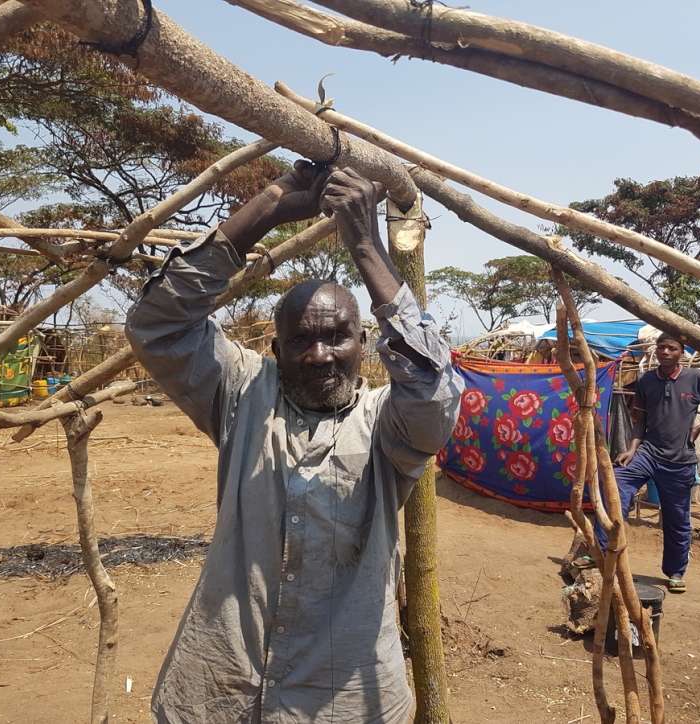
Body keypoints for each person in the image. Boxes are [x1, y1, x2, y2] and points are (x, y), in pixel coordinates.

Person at [125, 161, 463, 723]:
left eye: (337, 337)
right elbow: (157, 324)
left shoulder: (389, 425)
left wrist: (365, 245)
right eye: (301, 340)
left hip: (345, 698)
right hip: (221, 684)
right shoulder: (243, 393)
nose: (321, 355)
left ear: (364, 343)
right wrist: (271, 206)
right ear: (277, 350)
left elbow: (435, 390)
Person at [582, 333, 700, 593]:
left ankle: (675, 571)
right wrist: (631, 449)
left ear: (681, 353)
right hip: (647, 453)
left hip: (679, 461)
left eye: (672, 348)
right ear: (655, 351)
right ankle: (600, 550)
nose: (666, 352)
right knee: (614, 486)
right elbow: (641, 422)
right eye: (662, 347)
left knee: (677, 519)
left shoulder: (696, 378)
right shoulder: (646, 380)